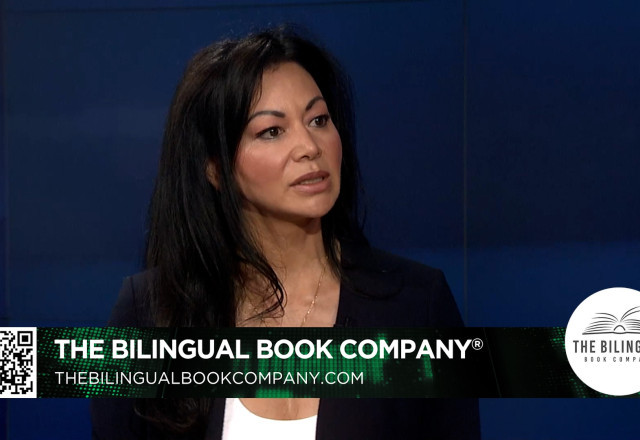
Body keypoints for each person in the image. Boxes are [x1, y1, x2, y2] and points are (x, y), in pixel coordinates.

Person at [91, 26, 480, 440]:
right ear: (216, 169)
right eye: (272, 131)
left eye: (318, 120)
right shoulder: (150, 314)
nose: (310, 146)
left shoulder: (416, 306)